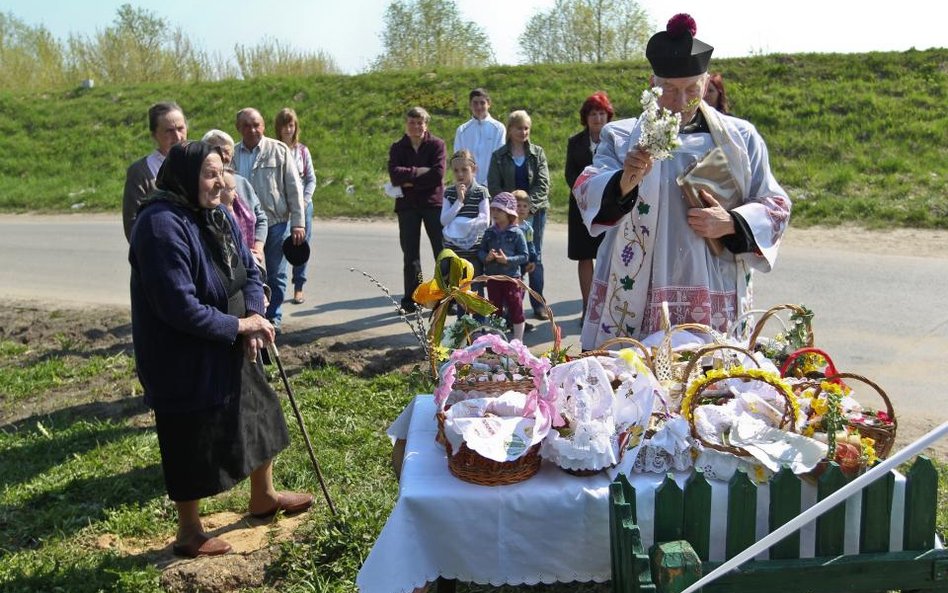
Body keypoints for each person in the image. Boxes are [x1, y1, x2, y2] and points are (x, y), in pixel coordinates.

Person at [128, 142, 313, 558]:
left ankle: (263, 498)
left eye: (222, 172)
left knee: (258, 411)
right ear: (186, 176)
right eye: (210, 174)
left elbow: (249, 269)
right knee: (190, 435)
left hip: (232, 337)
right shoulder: (159, 225)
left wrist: (252, 315)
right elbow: (177, 307)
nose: (220, 181)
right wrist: (238, 325)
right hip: (183, 352)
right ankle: (189, 531)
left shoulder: (217, 213)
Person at [573, 13, 790, 350]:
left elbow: (775, 204)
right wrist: (623, 183)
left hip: (712, 281)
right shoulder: (620, 137)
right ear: (651, 83)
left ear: (706, 84)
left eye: (692, 89)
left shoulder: (740, 139)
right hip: (638, 293)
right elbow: (587, 187)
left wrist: (732, 223)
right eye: (670, 90)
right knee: (634, 381)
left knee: (708, 384)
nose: (680, 101)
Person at [233, 108, 305, 333]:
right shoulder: (232, 153)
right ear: (238, 128)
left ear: (263, 126)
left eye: (256, 124)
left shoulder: (279, 150)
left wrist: (298, 222)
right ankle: (253, 315)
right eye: (246, 125)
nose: (252, 129)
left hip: (276, 223)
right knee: (247, 273)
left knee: (276, 274)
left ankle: (273, 317)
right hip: (243, 226)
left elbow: (294, 188)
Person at [487, 110, 550, 321]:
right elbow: (494, 185)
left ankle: (538, 304)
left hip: (534, 212)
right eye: (518, 128)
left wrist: (528, 208)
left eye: (526, 128)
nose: (523, 132)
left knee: (534, 257)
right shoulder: (498, 156)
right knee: (510, 257)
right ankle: (512, 306)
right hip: (508, 217)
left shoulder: (537, 153)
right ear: (510, 129)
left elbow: (543, 184)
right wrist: (510, 211)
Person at [388, 106, 446, 313]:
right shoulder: (397, 147)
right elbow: (395, 176)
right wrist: (420, 173)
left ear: (426, 124)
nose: (416, 126)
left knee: (441, 252)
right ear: (406, 124)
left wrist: (409, 180)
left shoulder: (437, 145)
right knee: (411, 255)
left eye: (420, 122)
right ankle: (413, 298)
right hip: (407, 206)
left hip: (433, 204)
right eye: (412, 123)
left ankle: (445, 297)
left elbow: (437, 175)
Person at [565, 91, 614, 320]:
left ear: (608, 116)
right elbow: (570, 174)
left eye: (602, 113)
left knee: (609, 257)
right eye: (593, 114)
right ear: (586, 117)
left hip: (608, 207)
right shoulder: (575, 142)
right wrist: (586, 193)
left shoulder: (615, 139)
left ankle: (606, 308)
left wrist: (605, 194)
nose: (598, 118)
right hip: (581, 208)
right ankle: (588, 307)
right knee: (585, 257)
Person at [122, 101, 187, 241]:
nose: (177, 137)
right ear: (154, 135)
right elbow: (133, 226)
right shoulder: (141, 172)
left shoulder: (199, 163)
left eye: (181, 128)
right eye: (169, 131)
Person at [202, 129, 267, 266]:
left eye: (229, 153)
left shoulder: (242, 183)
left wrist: (258, 249)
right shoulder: (203, 187)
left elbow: (261, 218)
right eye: (219, 151)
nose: (224, 157)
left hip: (252, 262)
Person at [274, 108, 317, 305]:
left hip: (302, 205)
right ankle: (277, 289)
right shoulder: (274, 150)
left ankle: (299, 286)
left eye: (291, 125)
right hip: (282, 206)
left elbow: (311, 179)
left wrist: (305, 201)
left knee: (301, 246)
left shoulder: (302, 151)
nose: (288, 129)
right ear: (278, 128)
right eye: (284, 126)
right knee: (282, 245)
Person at [478, 192, 529, 341]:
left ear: (509, 213)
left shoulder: (517, 233)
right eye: (493, 209)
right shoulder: (489, 233)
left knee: (516, 308)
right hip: (493, 278)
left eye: (499, 210)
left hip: (511, 278)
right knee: (495, 309)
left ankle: (518, 341)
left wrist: (507, 260)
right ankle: (496, 341)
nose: (494, 213)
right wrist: (486, 258)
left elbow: (524, 255)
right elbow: (481, 251)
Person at [440, 149, 490, 292]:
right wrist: (459, 201)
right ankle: (462, 314)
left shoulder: (481, 192)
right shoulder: (449, 192)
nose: (460, 174)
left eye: (464, 169)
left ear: (473, 169)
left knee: (475, 288)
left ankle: (479, 315)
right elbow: (444, 220)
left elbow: (485, 221)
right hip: (454, 250)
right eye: (456, 170)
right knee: (458, 289)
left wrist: (460, 225)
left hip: (474, 250)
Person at [453, 88, 506, 186]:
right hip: (468, 186)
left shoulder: (498, 129)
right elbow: (458, 160)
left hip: (492, 186)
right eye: (475, 103)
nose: (479, 107)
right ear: (470, 105)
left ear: (489, 104)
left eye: (482, 103)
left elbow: (500, 158)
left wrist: (487, 184)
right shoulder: (462, 130)